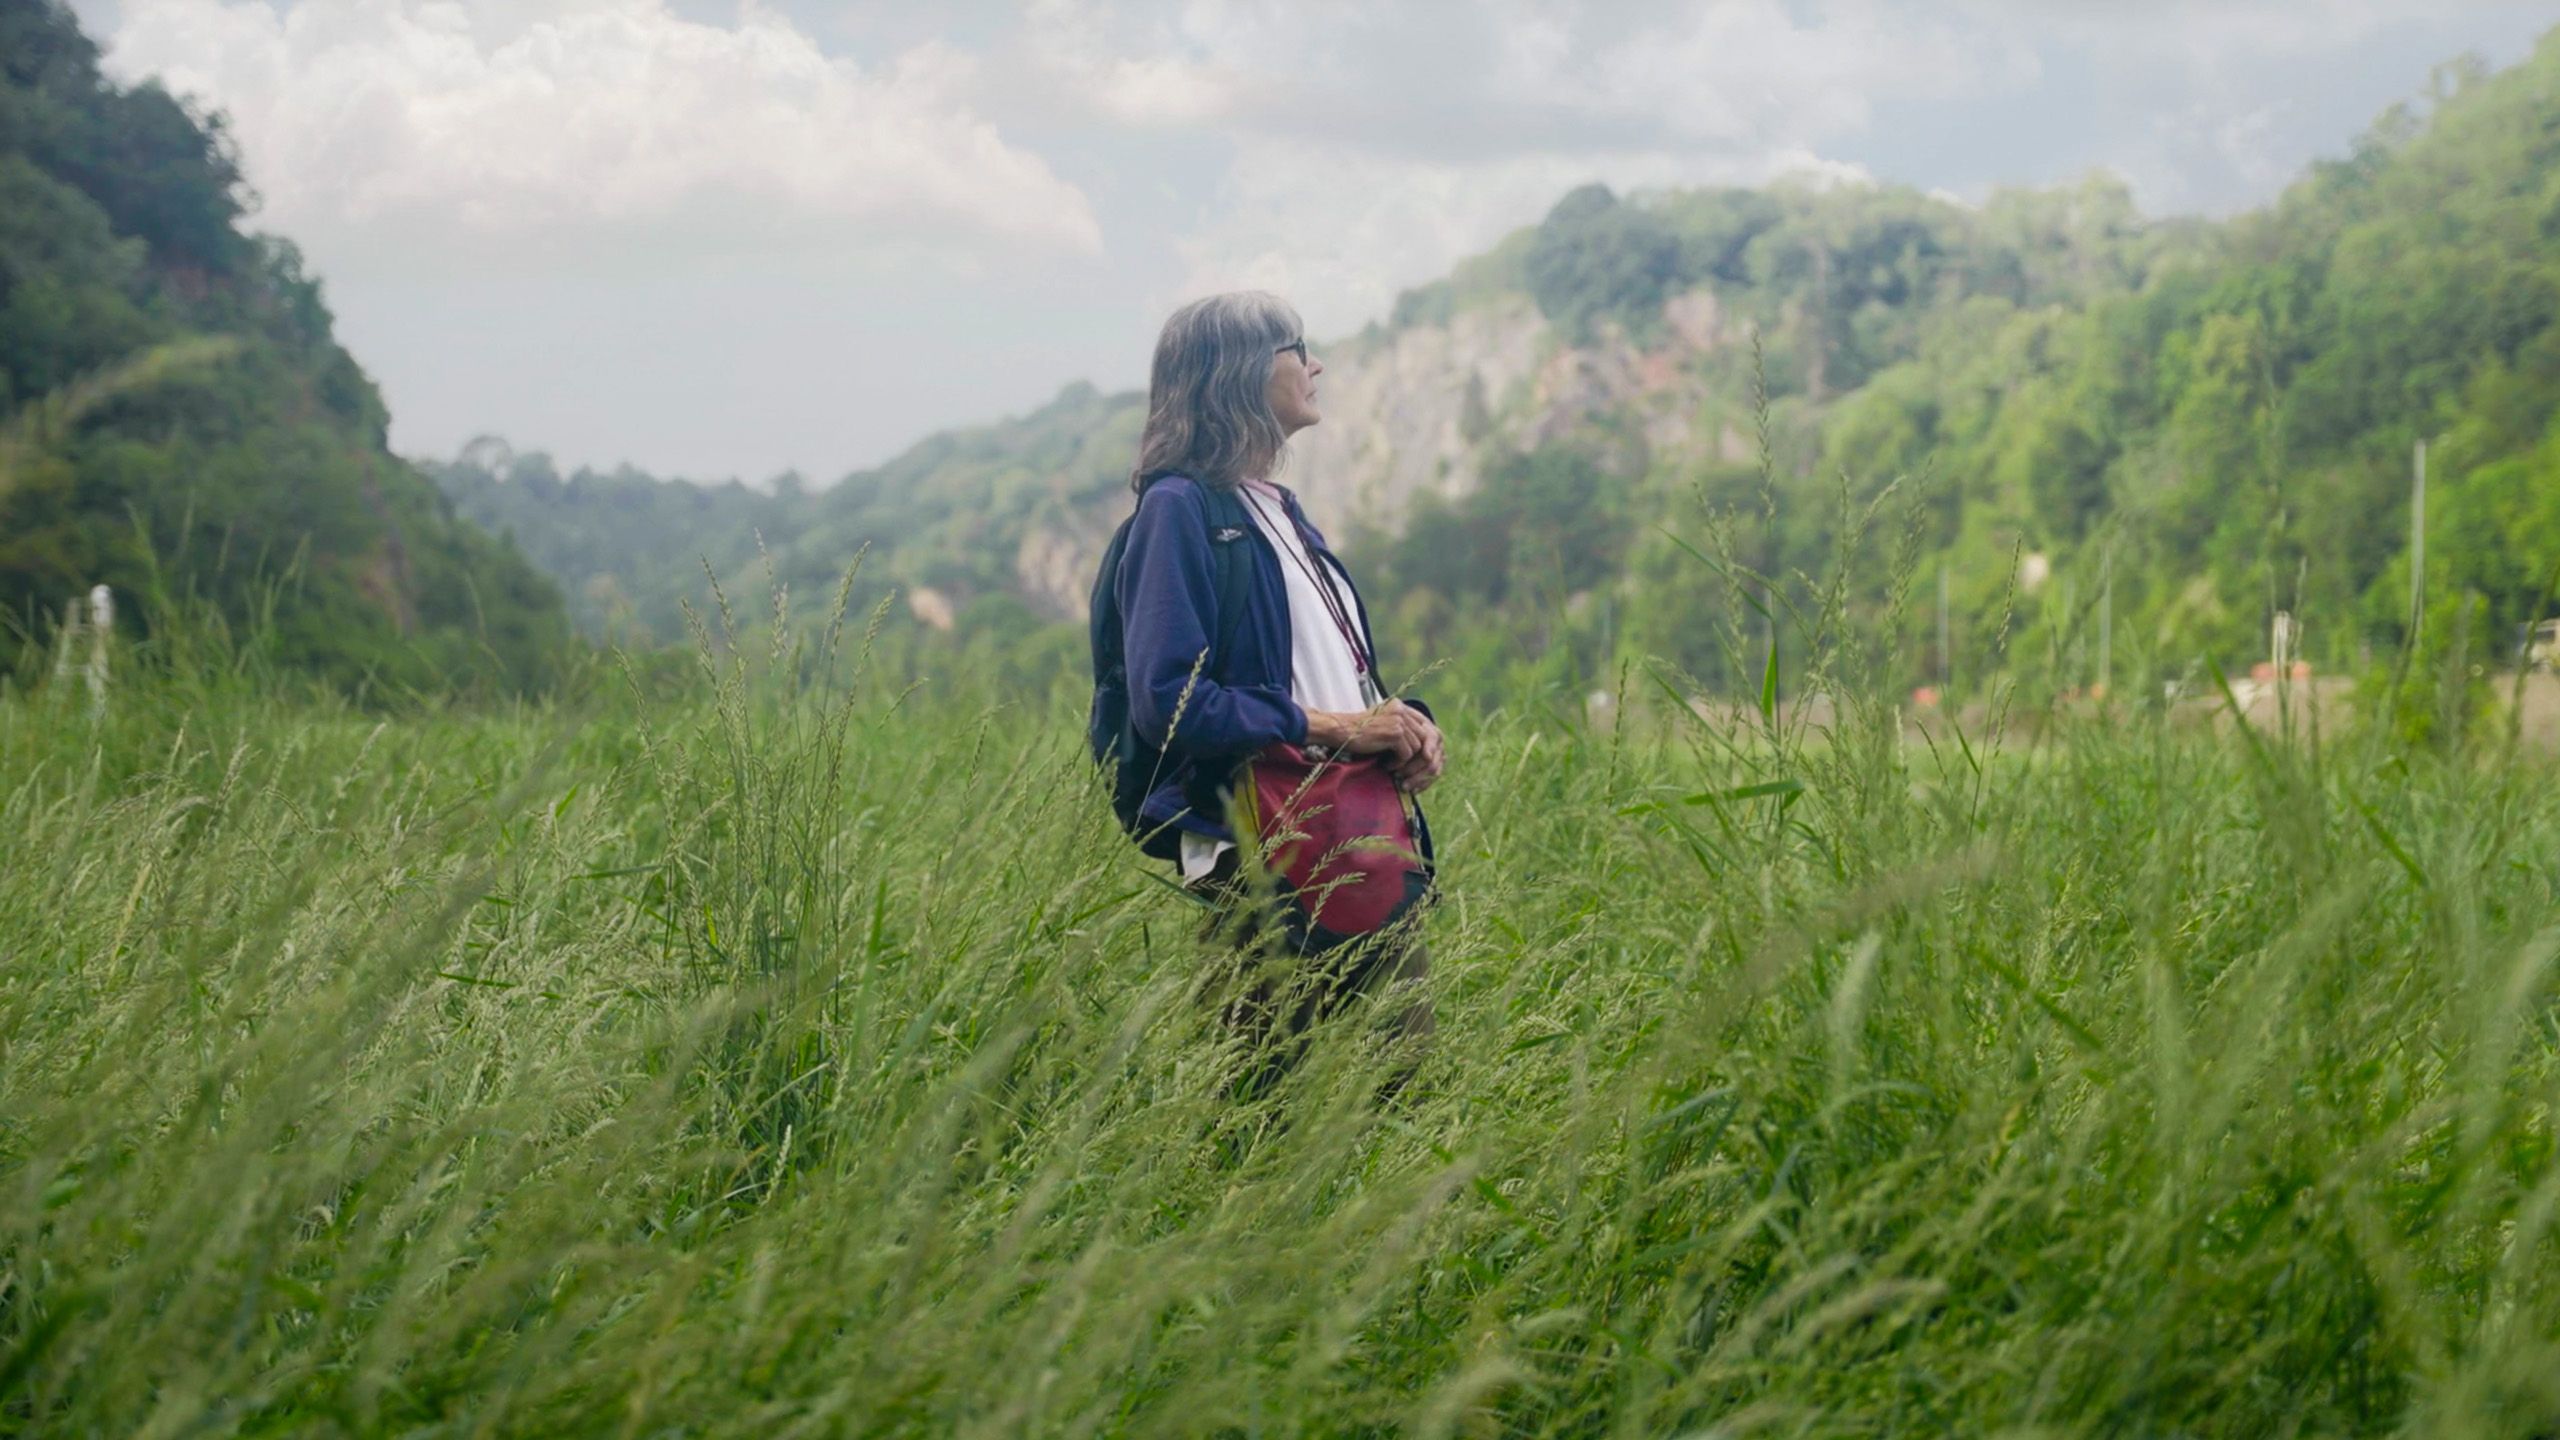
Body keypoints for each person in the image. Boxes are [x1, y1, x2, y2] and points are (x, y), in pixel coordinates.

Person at [1112, 291, 1446, 1092]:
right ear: (1238, 371)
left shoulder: (1282, 514)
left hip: (1360, 839)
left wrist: (1406, 724)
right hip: (1259, 852)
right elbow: (1171, 698)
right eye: (1297, 347)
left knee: (1406, 1094)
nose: (1315, 364)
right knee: (1259, 1115)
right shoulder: (1178, 510)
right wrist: (1336, 727)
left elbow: (1329, 674)